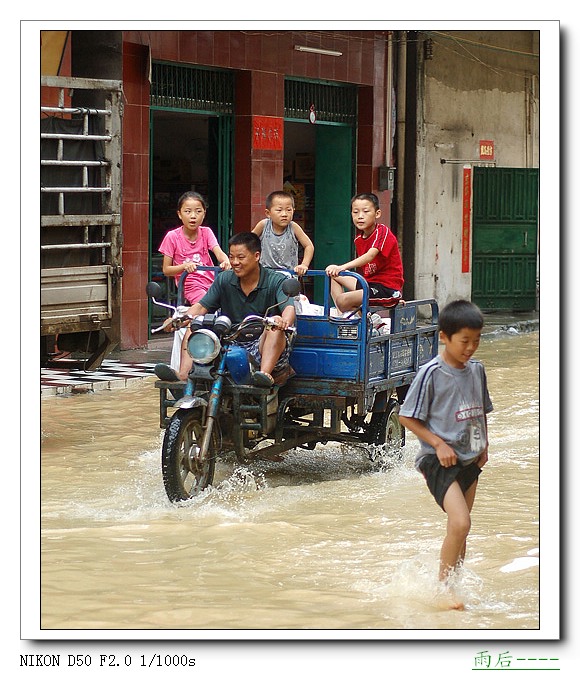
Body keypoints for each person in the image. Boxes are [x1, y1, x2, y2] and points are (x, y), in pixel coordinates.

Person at [399, 300, 493, 610]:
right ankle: (443, 589)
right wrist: (438, 444)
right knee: (461, 522)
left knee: (461, 528)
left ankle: (454, 585)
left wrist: (484, 445)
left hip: (469, 457)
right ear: (444, 337)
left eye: (476, 341)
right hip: (437, 460)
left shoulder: (477, 370)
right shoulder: (431, 373)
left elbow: (481, 411)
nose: (471, 348)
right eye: (464, 341)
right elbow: (407, 417)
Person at [155, 231, 296, 387]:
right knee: (196, 325)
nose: (235, 262)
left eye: (241, 257)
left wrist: (283, 321)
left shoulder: (276, 280)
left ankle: (263, 376)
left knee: (274, 328)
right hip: (230, 340)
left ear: (256, 256)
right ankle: (183, 377)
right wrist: (178, 320)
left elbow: (289, 307)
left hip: (262, 342)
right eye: (231, 257)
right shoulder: (224, 279)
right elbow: (201, 306)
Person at [325, 193, 404, 314]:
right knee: (333, 275)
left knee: (342, 300)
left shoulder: (382, 232)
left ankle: (366, 320)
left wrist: (342, 267)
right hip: (368, 284)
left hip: (386, 288)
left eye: (365, 211)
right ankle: (347, 319)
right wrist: (335, 268)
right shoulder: (358, 239)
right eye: (355, 212)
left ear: (377, 214)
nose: (360, 216)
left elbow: (370, 256)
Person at [158, 191, 231, 305]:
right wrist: (184, 266)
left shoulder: (206, 232)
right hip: (189, 285)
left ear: (204, 213)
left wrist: (226, 261)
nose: (193, 216)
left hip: (212, 282)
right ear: (179, 214)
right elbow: (166, 270)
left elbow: (219, 253)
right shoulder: (172, 236)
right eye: (187, 211)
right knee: (205, 305)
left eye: (198, 211)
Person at [252, 190, 314, 275]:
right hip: (265, 274)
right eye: (279, 210)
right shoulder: (263, 225)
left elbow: (309, 246)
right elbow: (248, 243)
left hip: (288, 274)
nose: (284, 214)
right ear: (268, 213)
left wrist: (304, 265)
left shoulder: (293, 227)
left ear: (293, 211)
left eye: (288, 210)